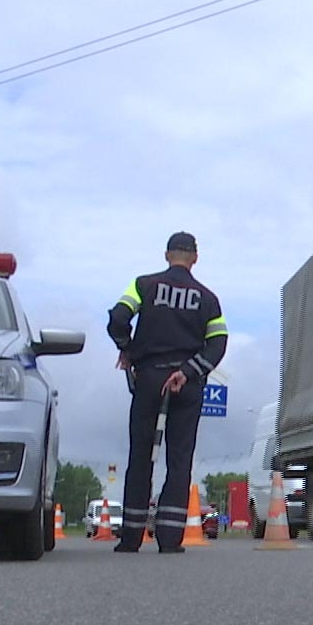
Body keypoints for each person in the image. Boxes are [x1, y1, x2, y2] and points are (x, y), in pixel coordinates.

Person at [106, 231, 228, 553]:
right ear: (195, 259)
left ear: (166, 255)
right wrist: (188, 372)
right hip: (185, 383)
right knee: (179, 458)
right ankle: (170, 539)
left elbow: (118, 318)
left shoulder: (143, 285)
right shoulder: (207, 298)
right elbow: (218, 343)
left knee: (141, 455)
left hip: (149, 377)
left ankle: (131, 537)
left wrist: (127, 349)